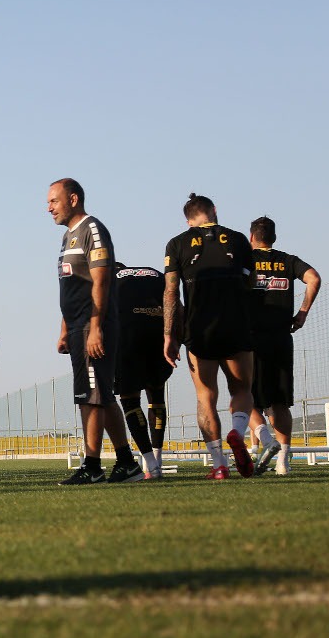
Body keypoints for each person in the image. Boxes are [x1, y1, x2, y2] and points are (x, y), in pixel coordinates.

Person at [47, 178, 141, 485]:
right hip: (76, 326)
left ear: (73, 199)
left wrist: (96, 328)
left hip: (92, 324)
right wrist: (64, 327)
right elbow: (71, 285)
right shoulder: (67, 238)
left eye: (54, 201)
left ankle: (92, 466)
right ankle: (127, 463)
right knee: (102, 395)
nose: (48, 208)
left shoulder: (92, 229)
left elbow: (101, 280)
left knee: (90, 396)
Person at [163, 193, 257, 480]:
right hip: (236, 325)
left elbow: (170, 292)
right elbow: (250, 282)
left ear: (188, 219)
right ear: (214, 211)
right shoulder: (239, 239)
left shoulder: (176, 243)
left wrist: (169, 335)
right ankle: (238, 432)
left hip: (199, 329)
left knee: (205, 397)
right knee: (242, 390)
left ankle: (219, 466)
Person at [246, 216, 322, 475]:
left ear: (251, 237)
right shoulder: (288, 260)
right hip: (280, 337)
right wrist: (302, 313)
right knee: (280, 403)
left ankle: (266, 441)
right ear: (274, 238)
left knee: (245, 397)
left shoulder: (245, 260)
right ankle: (283, 463)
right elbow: (314, 278)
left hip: (251, 337)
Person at [113, 263, 174, 479]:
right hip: (158, 338)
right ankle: (157, 459)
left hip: (127, 340)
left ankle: (150, 464)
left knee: (130, 400)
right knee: (156, 396)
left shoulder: (111, 278)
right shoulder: (153, 273)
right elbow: (174, 301)